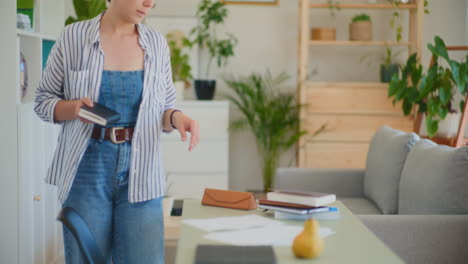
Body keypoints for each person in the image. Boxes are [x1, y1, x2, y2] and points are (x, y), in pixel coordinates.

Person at [34, 0, 199, 263]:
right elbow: (43, 102)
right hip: (86, 167)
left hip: (142, 168)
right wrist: (73, 108)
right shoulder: (73, 37)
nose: (149, 2)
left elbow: (165, 109)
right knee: (86, 257)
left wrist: (176, 117)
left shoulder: (156, 43)